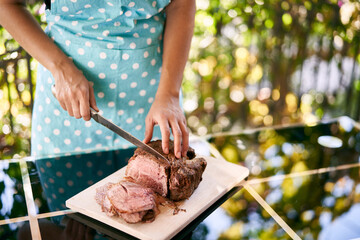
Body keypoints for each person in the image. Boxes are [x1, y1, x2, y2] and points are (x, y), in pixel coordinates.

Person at [0, 0, 195, 238]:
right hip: (67, 112)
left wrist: (170, 94)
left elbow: (181, 4)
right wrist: (60, 68)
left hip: (154, 102)